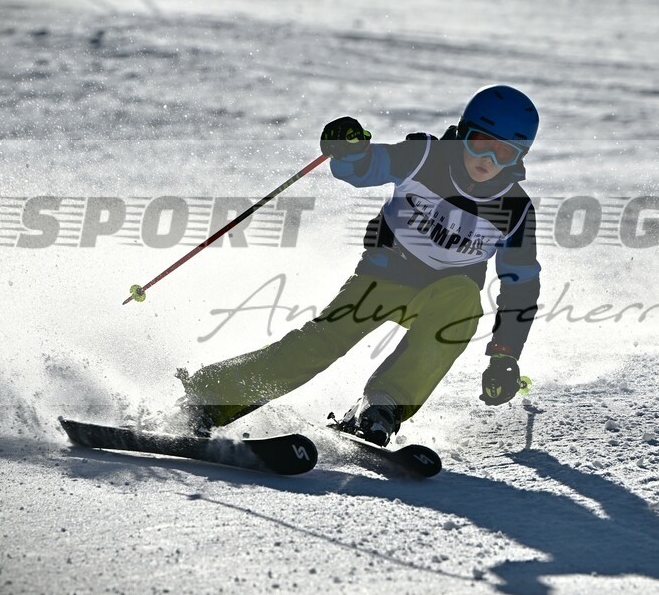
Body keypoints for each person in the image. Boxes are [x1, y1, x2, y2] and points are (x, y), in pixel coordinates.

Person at [176, 85, 542, 446]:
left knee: (463, 299)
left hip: (443, 298)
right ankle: (210, 400)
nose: (488, 162)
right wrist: (349, 150)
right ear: (462, 133)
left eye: (504, 154)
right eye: (481, 144)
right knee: (317, 346)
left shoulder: (515, 210)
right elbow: (366, 167)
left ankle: (381, 409)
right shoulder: (425, 156)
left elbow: (520, 286)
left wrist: (504, 357)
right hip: (383, 276)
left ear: (520, 157)